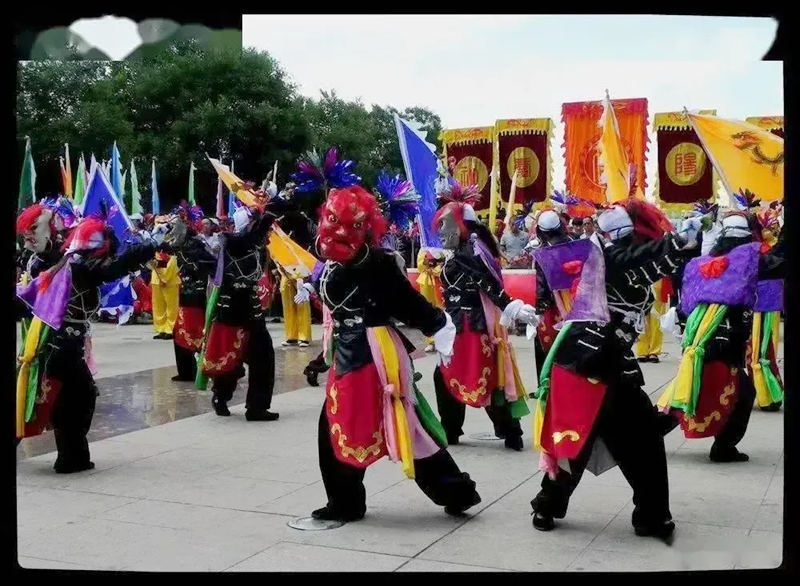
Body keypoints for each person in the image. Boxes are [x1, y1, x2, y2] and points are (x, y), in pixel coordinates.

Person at [529, 197, 701, 538]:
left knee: (640, 439)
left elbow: (652, 265)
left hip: (612, 363)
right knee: (575, 440)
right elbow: (636, 259)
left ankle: (651, 514)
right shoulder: (606, 255)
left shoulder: (625, 259)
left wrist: (691, 245)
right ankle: (548, 504)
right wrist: (677, 242)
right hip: (583, 362)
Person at [309, 185, 481, 523]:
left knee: (392, 423)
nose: (338, 231)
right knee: (360, 423)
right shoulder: (331, 257)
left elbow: (406, 300)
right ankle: (453, 491)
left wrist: (438, 324)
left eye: (349, 224)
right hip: (349, 351)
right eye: (333, 221)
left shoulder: (376, 262)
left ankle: (452, 491)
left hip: (371, 353)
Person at [16, 217, 163, 472]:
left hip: (59, 345)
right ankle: (71, 459)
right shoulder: (76, 269)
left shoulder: (66, 264)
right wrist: (150, 245)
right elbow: (116, 267)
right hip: (61, 347)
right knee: (71, 400)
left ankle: (73, 457)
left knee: (62, 400)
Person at [657, 208, 785, 461]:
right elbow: (779, 264)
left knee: (692, 387)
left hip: (700, 336)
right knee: (735, 393)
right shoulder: (747, 261)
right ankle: (722, 447)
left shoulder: (703, 262)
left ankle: (644, 435)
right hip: (724, 340)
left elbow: (686, 302)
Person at [432, 199, 537, 451]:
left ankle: (502, 430)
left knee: (484, 377)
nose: (442, 231)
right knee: (466, 376)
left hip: (470, 326)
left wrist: (512, 307)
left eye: (445, 224)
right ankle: (500, 431)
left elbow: (488, 284)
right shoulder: (464, 250)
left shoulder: (470, 252)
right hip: (456, 324)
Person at [200, 205, 279, 422]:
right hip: (230, 311)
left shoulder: (258, 247)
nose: (267, 234)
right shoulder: (231, 243)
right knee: (229, 362)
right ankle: (221, 396)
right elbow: (246, 241)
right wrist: (266, 219)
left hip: (252, 311)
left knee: (264, 357)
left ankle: (257, 407)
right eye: (258, 226)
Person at [161, 205, 218, 381]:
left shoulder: (196, 247)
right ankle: (186, 371)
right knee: (180, 333)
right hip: (186, 296)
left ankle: (200, 369)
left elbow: (214, 266)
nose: (171, 232)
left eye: (173, 228)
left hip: (197, 298)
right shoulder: (180, 247)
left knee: (192, 333)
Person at [150, 218, 180, 340]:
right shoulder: (153, 243)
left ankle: (170, 329)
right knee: (158, 306)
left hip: (170, 279)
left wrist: (165, 278)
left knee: (171, 306)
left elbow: (173, 262)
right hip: (156, 279)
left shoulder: (172, 243)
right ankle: (161, 328)